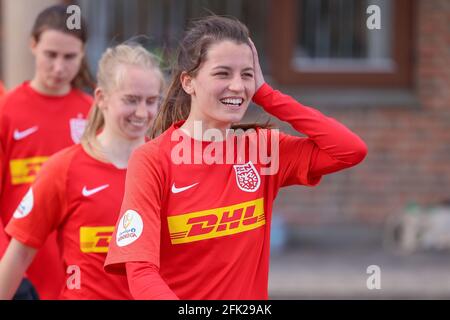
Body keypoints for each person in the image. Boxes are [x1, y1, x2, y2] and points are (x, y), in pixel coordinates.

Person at [104, 16, 368, 300]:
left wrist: (267, 94)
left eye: (246, 74)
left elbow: (349, 150)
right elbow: (141, 272)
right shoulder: (152, 159)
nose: (237, 86)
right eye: (222, 73)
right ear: (188, 82)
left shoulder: (262, 149)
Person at [0, 43, 164, 300]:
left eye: (151, 101)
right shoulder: (64, 168)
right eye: (131, 100)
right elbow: (19, 255)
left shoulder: (168, 165)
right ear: (101, 98)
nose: (142, 112)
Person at [0, 5, 94, 299]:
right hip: (21, 277)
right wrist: (10, 269)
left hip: (79, 278)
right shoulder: (7, 111)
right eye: (50, 55)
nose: (59, 67)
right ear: (33, 46)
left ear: (82, 54)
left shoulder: (93, 114)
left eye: (69, 57)